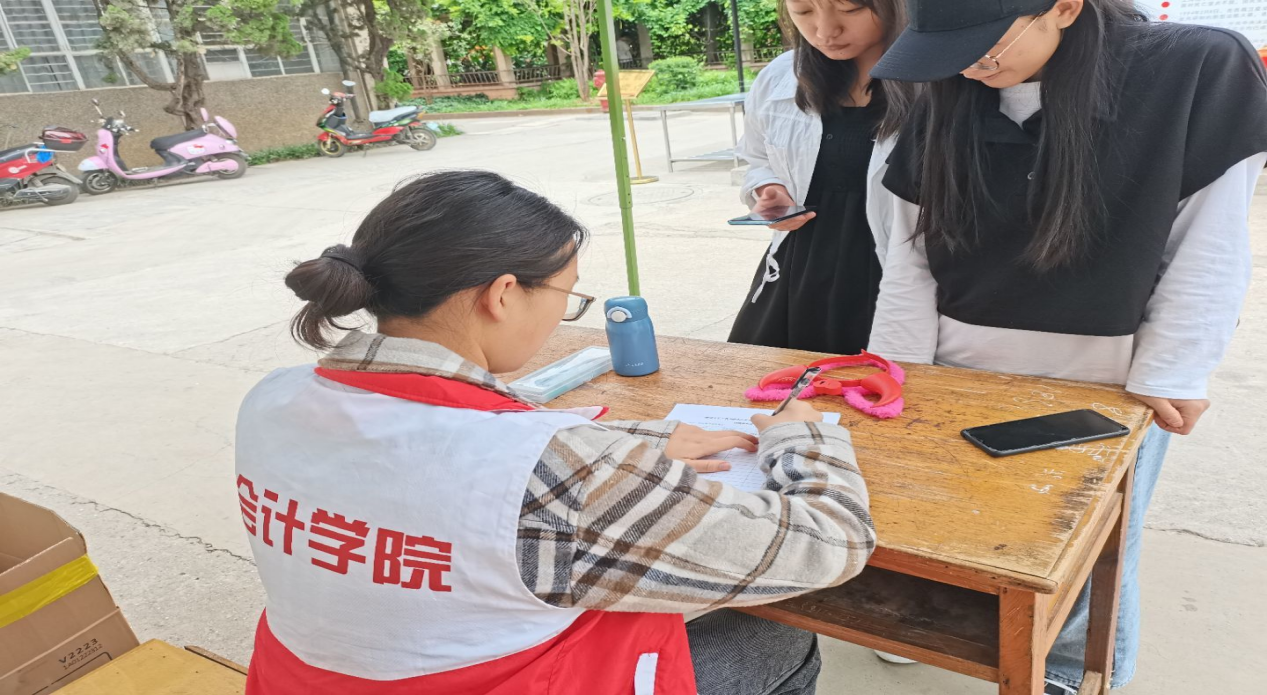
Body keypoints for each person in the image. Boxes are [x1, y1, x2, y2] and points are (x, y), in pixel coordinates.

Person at [235, 170, 877, 695]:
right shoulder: (556, 471)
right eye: (567, 297)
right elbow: (831, 544)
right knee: (775, 633)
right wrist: (805, 439)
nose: (562, 316)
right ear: (503, 294)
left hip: (300, 680)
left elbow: (435, 449)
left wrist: (633, 445)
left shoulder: (273, 397)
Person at [866, 0, 1267, 692]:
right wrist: (897, 374)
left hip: (1104, 378)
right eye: (950, 49)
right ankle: (954, 623)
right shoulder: (950, 89)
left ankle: (1071, 673)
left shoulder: (1193, 68)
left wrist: (1173, 369)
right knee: (960, 518)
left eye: (986, 42)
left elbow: (1210, 240)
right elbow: (908, 254)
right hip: (959, 367)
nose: (970, 65)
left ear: (1064, 6)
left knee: (1093, 549)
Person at [729, 0, 916, 355]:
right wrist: (768, 188)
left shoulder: (934, 81)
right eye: (803, 11)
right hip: (800, 268)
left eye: (850, 9)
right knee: (776, 375)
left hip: (893, 270)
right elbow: (756, 157)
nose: (825, 30)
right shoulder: (779, 76)